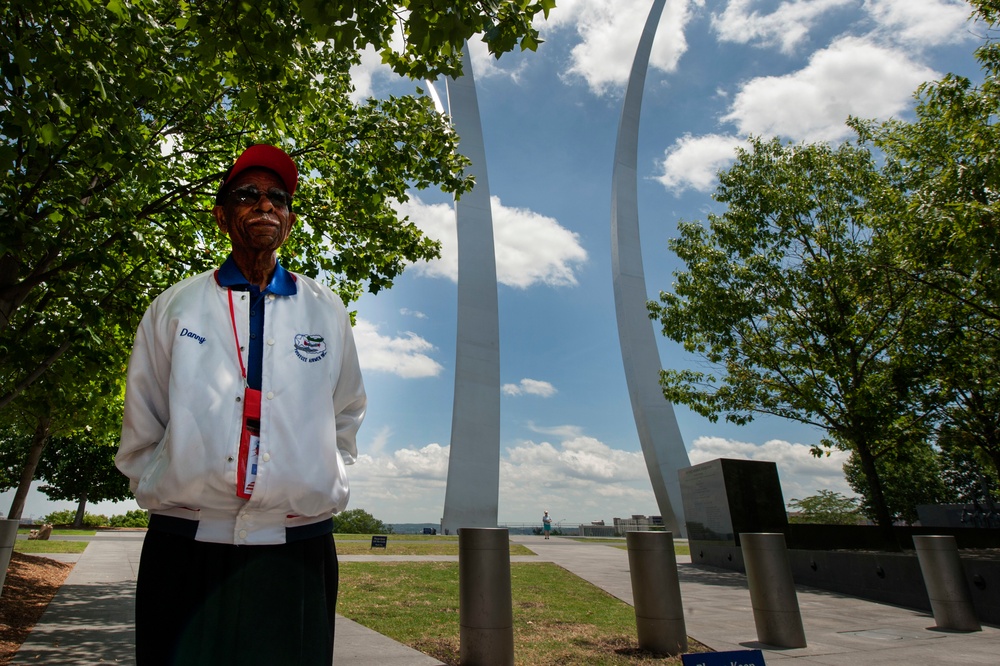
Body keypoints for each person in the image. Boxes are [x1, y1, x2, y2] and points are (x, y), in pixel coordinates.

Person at [116, 144, 366, 666]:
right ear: (223, 213)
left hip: (296, 551)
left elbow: (346, 412)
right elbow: (143, 416)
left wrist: (314, 480)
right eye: (248, 194)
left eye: (278, 196)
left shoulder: (326, 311)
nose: (265, 205)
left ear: (291, 219)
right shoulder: (174, 306)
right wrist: (170, 489)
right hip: (185, 548)